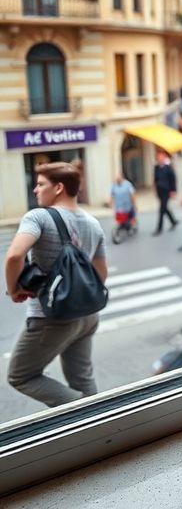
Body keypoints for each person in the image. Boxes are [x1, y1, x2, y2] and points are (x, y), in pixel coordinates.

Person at [4, 161, 108, 407]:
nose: (35, 190)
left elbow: (14, 256)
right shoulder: (93, 223)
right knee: (83, 378)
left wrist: (14, 289)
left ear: (59, 187)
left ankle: (83, 410)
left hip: (51, 318)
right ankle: (99, 423)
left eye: (41, 184)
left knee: (21, 375)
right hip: (88, 316)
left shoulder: (38, 217)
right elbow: (101, 274)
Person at [152, 149, 178, 235]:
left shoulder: (168, 168)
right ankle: (173, 221)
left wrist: (173, 191)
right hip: (160, 191)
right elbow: (155, 179)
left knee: (162, 209)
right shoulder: (156, 167)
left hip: (167, 190)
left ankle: (159, 228)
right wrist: (154, 188)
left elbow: (173, 179)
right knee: (165, 208)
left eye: (161, 156)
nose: (159, 158)